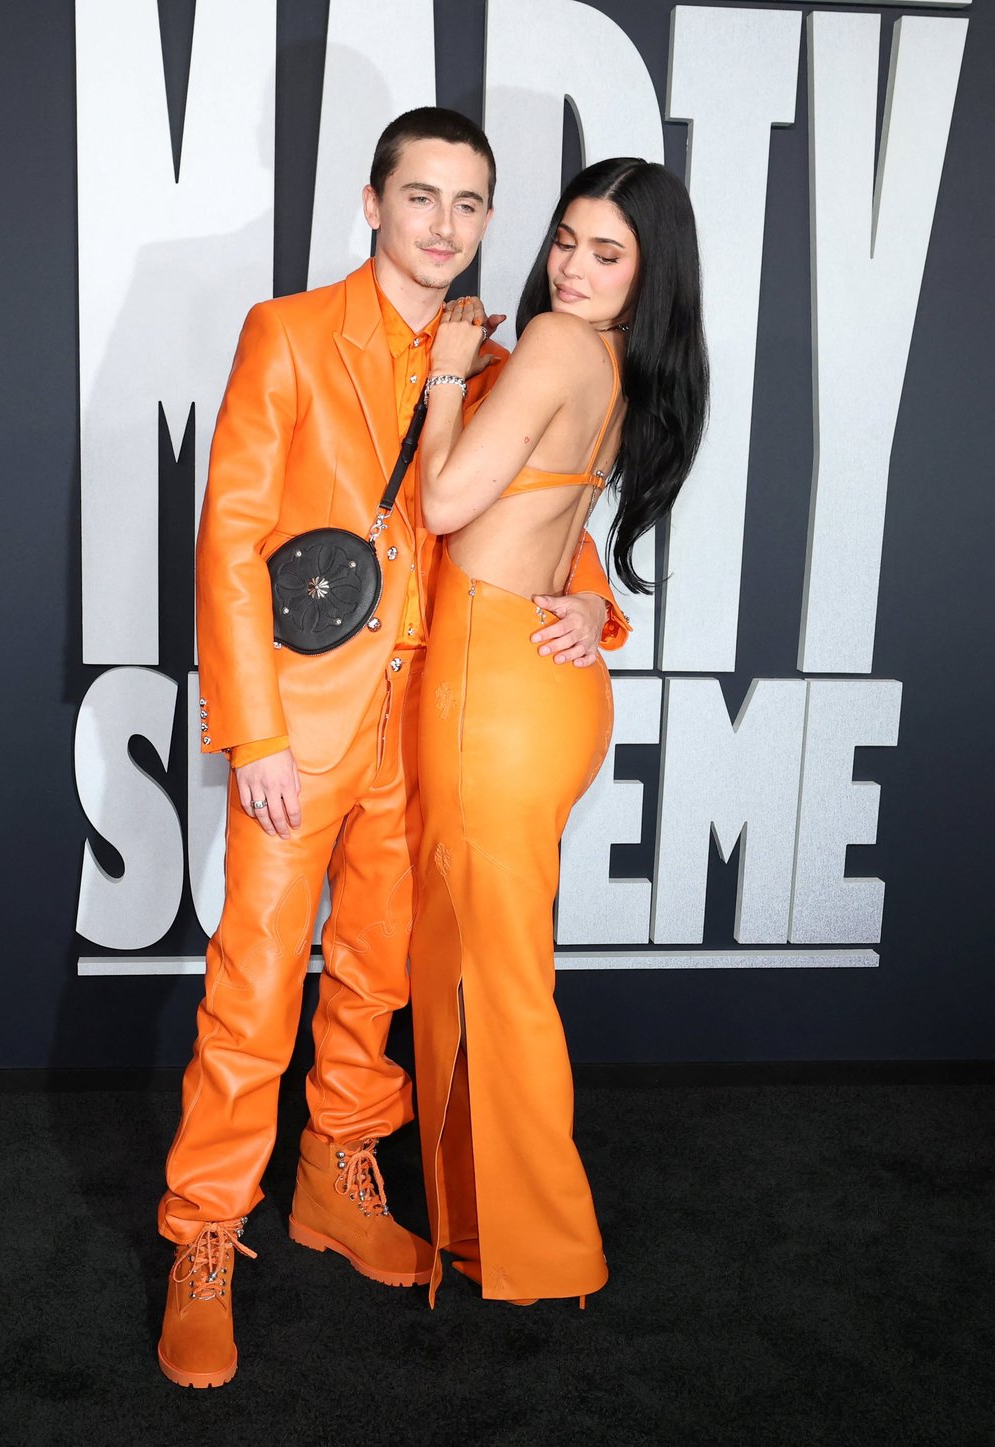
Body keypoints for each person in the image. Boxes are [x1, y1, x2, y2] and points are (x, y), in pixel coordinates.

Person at [156, 109, 630, 1389]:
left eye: (470, 205)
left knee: (373, 975)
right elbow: (233, 537)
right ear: (373, 204)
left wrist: (598, 600)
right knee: (256, 982)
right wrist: (251, 727)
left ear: (490, 221)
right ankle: (204, 1236)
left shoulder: (491, 351)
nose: (444, 226)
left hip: (432, 725)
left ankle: (337, 1176)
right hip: (302, 729)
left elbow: (532, 508)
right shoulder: (289, 333)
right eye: (420, 198)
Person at [410, 157, 709, 1307]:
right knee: (481, 960)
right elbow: (552, 515)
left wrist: (445, 378)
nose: (572, 270)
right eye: (566, 242)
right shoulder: (616, 359)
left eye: (606, 253)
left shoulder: (549, 345)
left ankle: (543, 1248)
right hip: (540, 675)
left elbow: (444, 506)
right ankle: (486, 1222)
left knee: (496, 974)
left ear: (649, 272)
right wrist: (597, 602)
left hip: (495, 682)